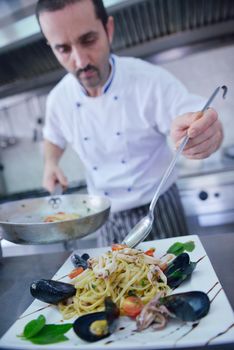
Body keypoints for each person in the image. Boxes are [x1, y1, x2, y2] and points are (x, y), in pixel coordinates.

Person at [36, 0, 223, 246]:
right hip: (104, 216)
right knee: (105, 282)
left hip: (159, 209)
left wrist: (207, 131)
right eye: (63, 49)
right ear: (51, 47)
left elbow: (191, 112)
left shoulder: (149, 80)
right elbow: (53, 137)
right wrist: (51, 162)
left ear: (108, 29)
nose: (80, 61)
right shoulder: (58, 99)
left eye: (88, 40)